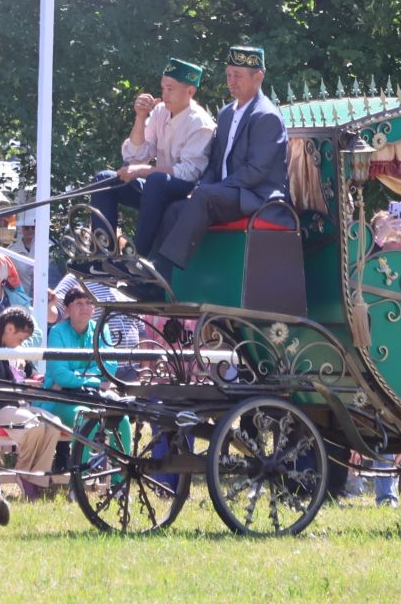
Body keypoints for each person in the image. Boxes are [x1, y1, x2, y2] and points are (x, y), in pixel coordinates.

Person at [153, 46, 289, 276]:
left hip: (255, 196)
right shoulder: (226, 113)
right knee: (176, 207)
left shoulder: (266, 116)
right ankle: (158, 281)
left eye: (238, 75)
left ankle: (159, 271)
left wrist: (211, 189)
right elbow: (215, 163)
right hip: (224, 194)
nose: (231, 81)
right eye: (228, 74)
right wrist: (200, 187)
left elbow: (256, 171)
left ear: (258, 77)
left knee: (204, 196)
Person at [89, 58, 216, 255]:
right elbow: (135, 157)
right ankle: (101, 254)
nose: (164, 94)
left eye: (170, 89)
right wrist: (140, 117)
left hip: (186, 193)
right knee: (104, 180)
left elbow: (189, 173)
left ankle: (138, 257)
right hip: (156, 189)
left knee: (156, 180)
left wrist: (144, 171)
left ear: (190, 91)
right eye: (163, 88)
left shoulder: (201, 123)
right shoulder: (159, 111)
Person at [0, 306, 61, 499]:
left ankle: (36, 480)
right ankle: (24, 474)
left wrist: (35, 377)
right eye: (21, 339)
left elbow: (28, 372)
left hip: (17, 404)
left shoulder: (11, 347)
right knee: (33, 426)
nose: (21, 344)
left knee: (54, 424)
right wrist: (23, 386)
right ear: (9, 329)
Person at [40, 283, 113, 432]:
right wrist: (96, 382)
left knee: (120, 418)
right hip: (60, 397)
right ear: (67, 309)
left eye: (89, 303)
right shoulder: (57, 332)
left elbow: (110, 366)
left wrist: (74, 376)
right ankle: (83, 456)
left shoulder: (102, 329)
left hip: (94, 396)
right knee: (85, 418)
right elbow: (60, 375)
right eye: (79, 303)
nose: (85, 307)